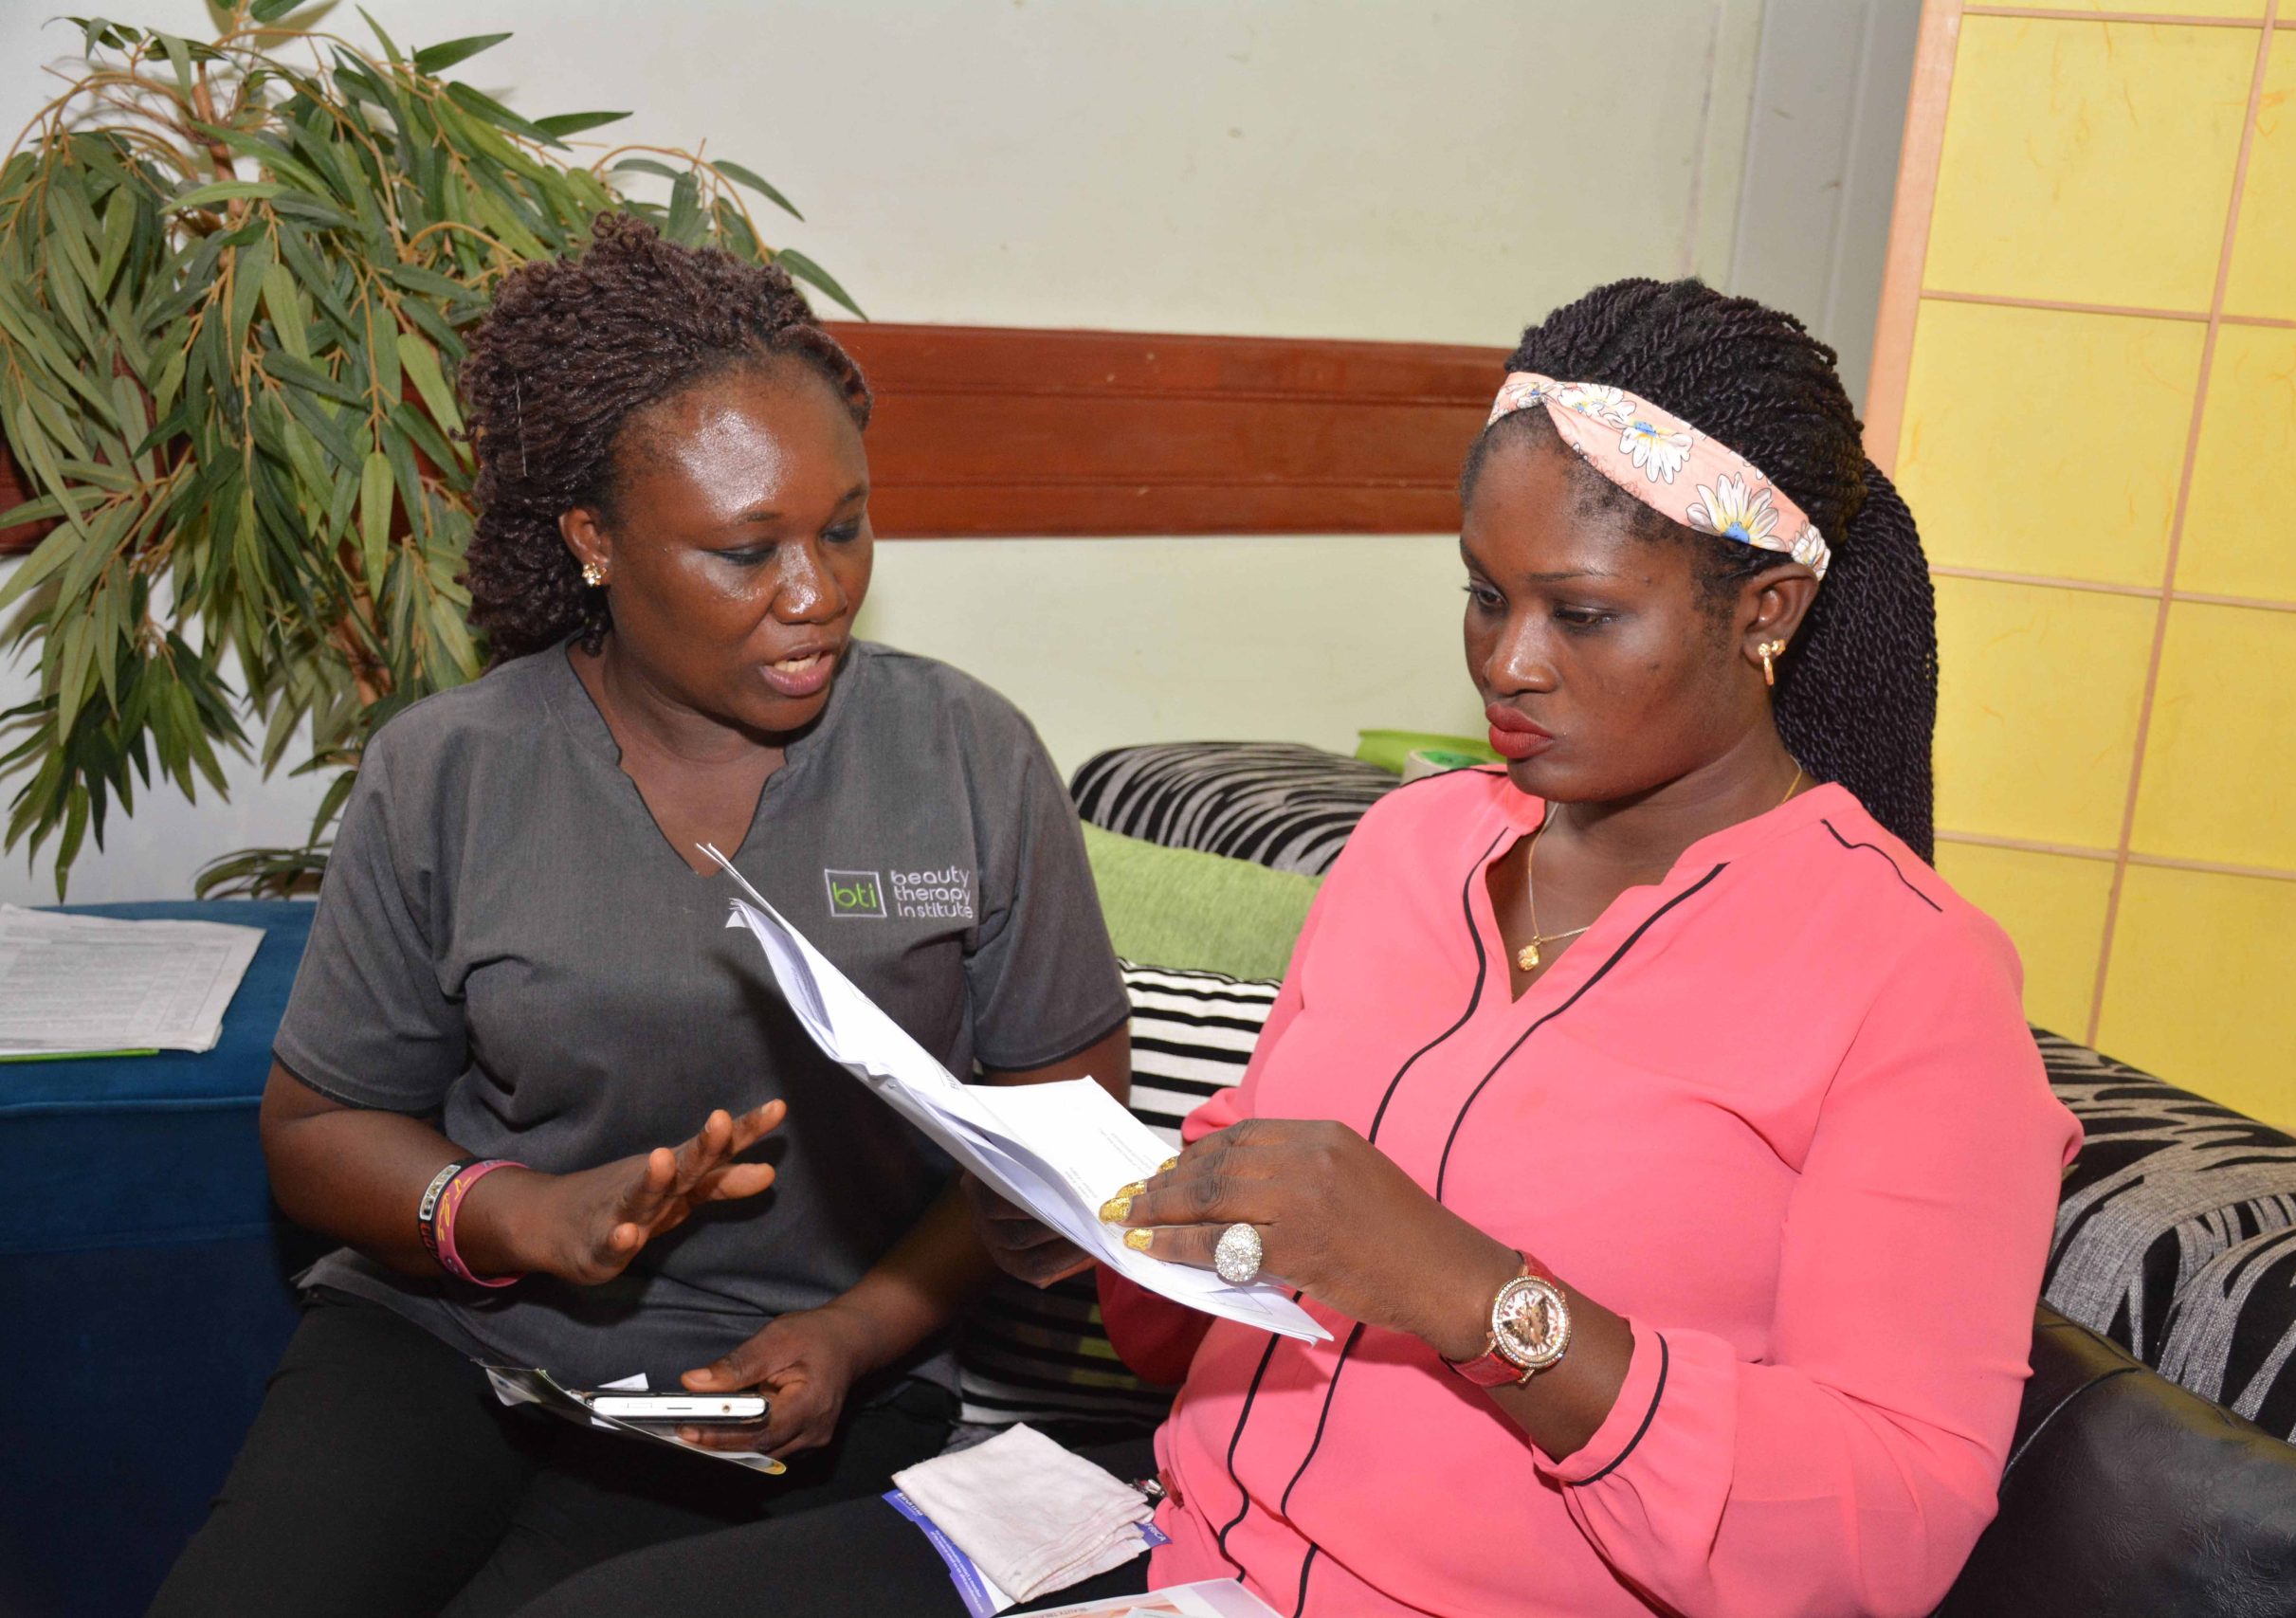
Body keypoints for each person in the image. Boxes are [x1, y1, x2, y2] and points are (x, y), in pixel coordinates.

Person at [513, 278, 2083, 1618]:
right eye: (1483, 597)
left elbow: (1888, 1533)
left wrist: (1474, 1297)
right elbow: (1200, 1328)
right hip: (1174, 1548)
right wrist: (1113, 1230)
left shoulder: (1911, 982)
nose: (1508, 664)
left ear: (1769, 609)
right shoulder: (1416, 850)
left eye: (1583, 615)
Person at [148, 215, 1133, 1618]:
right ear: (595, 543)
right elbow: (317, 1134)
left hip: (800, 1381)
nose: (817, 594)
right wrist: (521, 1214)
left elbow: (1064, 1132)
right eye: (746, 551)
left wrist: (858, 1333)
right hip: (450, 1341)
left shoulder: (965, 757)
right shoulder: (452, 768)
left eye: (844, 528)